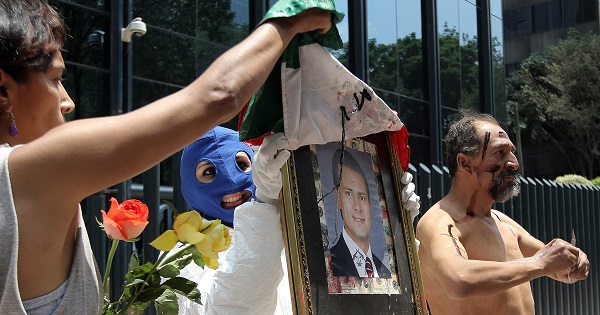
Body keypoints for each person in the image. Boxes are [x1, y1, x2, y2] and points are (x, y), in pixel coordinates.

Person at [0, 0, 333, 313]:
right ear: (3, 89)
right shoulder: (25, 173)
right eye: (56, 79)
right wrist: (289, 21)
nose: (67, 100)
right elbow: (219, 96)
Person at [176, 128, 422, 314]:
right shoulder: (184, 254)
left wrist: (398, 233)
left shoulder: (300, 226)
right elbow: (230, 308)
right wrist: (265, 205)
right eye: (208, 172)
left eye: (241, 164)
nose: (230, 179)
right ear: (189, 185)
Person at [416, 110, 590, 314]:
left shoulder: (503, 222)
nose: (514, 163)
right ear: (464, 163)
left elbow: (554, 264)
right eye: (500, 153)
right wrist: (540, 263)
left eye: (512, 152)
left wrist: (572, 261)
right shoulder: (439, 222)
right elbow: (459, 280)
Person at [329, 148, 419, 278]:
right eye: (348, 194)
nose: (357, 207)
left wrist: (406, 233)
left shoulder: (388, 271)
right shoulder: (330, 263)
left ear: (370, 205)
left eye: (362, 197)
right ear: (338, 198)